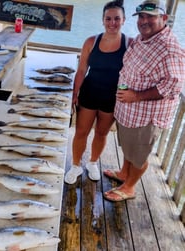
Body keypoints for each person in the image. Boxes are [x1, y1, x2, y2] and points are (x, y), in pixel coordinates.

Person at [103, 0, 185, 201]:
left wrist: (136, 96)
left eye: (151, 16)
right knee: (129, 148)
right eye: (141, 16)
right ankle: (124, 173)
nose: (144, 21)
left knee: (138, 155)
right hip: (128, 111)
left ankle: (129, 187)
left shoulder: (169, 49)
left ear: (164, 18)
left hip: (145, 117)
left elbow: (173, 85)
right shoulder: (144, 37)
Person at [64, 0, 132, 184]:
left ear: (123, 20)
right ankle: (76, 165)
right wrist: (74, 93)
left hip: (112, 97)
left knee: (102, 133)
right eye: (108, 18)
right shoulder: (91, 42)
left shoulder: (130, 44)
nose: (112, 23)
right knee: (81, 132)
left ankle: (93, 162)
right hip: (89, 93)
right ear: (103, 20)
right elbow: (81, 70)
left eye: (117, 19)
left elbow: (135, 74)